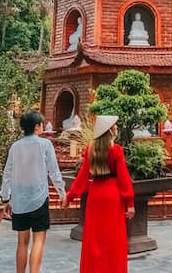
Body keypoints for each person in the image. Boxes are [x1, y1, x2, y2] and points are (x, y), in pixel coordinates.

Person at [63, 115, 135, 272]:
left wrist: (70, 196)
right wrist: (129, 203)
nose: (117, 128)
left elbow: (82, 176)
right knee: (113, 239)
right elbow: (124, 179)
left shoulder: (90, 149)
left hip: (96, 196)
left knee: (94, 239)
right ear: (109, 130)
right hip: (112, 196)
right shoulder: (116, 151)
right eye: (115, 126)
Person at [0, 110, 66, 273]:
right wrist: (62, 192)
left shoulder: (15, 147)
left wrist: (5, 198)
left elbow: (7, 172)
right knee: (39, 240)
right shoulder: (45, 144)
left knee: (22, 241)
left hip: (19, 200)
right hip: (39, 198)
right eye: (41, 124)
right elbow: (54, 172)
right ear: (37, 126)